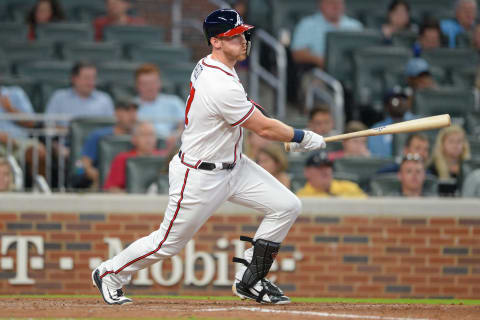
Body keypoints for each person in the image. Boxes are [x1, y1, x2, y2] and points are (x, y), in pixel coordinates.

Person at [91, 8, 326, 306]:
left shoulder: (219, 68)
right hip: (199, 174)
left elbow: (254, 111)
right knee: (167, 243)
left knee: (286, 205)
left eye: (243, 34)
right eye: (234, 37)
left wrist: (289, 134)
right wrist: (300, 136)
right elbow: (263, 128)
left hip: (234, 166)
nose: (243, 40)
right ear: (215, 41)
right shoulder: (218, 82)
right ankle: (109, 273)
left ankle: (250, 280)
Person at [79, 100, 138, 189]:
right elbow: (84, 165)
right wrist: (103, 178)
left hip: (131, 185)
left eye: (134, 111)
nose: (132, 116)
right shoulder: (99, 136)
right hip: (101, 183)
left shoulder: (139, 138)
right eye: (127, 111)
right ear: (117, 113)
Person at [291, 0, 363, 69]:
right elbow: (297, 54)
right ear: (321, 5)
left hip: (352, 72)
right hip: (318, 72)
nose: (336, 7)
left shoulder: (355, 26)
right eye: (331, 3)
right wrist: (323, 61)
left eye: (339, 3)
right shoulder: (307, 24)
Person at [0, 83, 47, 182]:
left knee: (39, 152)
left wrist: (10, 109)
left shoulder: (15, 93)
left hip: (19, 141)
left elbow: (32, 123)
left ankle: (40, 190)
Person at [46, 61, 114, 129]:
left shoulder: (104, 100)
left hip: (97, 139)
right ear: (74, 79)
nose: (90, 82)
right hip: (65, 138)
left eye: (93, 78)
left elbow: (111, 128)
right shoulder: (59, 97)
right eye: (86, 78)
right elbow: (48, 124)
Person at [103, 121, 166, 193]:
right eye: (143, 135)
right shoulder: (122, 159)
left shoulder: (164, 157)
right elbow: (110, 189)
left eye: (151, 135)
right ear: (134, 139)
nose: (149, 139)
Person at [133, 64, 185, 148]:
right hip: (141, 148)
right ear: (137, 86)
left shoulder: (174, 101)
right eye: (145, 84)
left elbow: (187, 123)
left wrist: (178, 134)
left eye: (153, 83)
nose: (150, 87)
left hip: (170, 147)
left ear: (159, 83)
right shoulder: (131, 107)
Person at [367, 87, 416, 158]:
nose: (400, 103)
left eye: (403, 99)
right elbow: (376, 157)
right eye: (395, 100)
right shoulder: (377, 129)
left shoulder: (417, 122)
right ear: (386, 105)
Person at [296, 150, 366, 198]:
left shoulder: (350, 188)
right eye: (319, 167)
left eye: (328, 166)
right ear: (307, 172)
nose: (325, 170)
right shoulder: (303, 196)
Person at [428, 125, 471, 196]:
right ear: (442, 144)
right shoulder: (432, 168)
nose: (456, 145)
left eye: (459, 141)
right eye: (451, 141)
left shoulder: (469, 167)